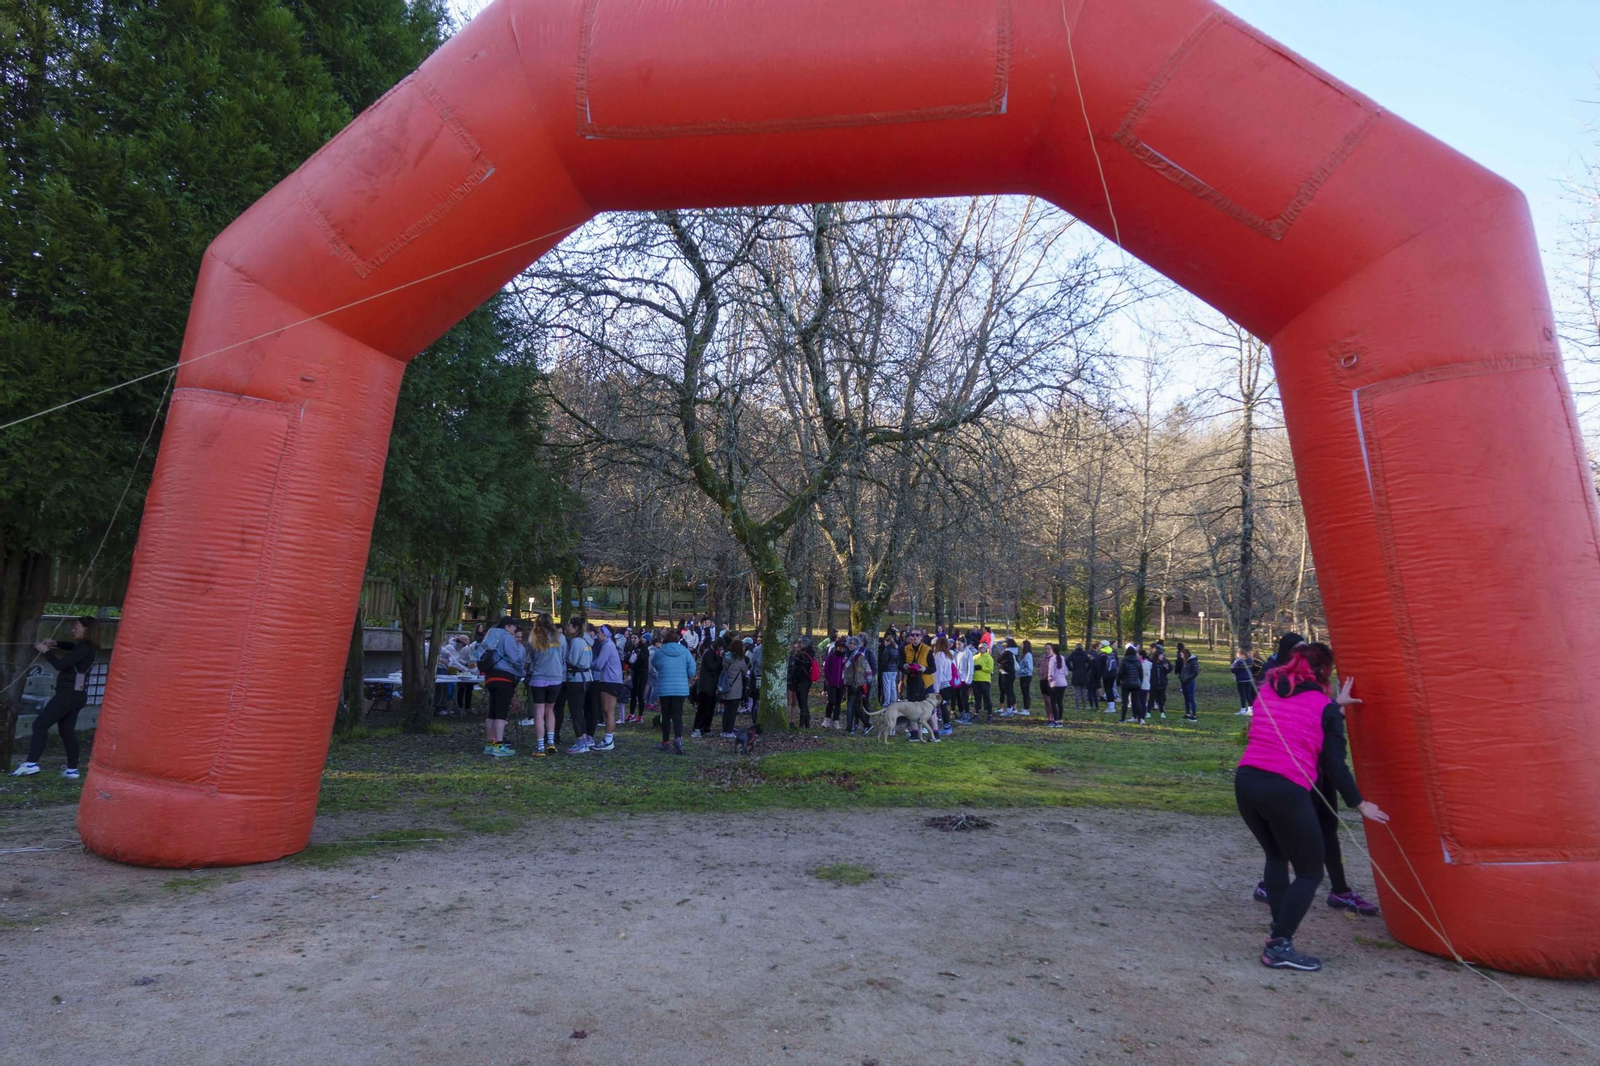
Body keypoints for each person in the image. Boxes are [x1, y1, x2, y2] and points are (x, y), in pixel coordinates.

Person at [1236, 642, 1388, 971]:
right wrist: (1360, 804)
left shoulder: (1266, 693)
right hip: (1284, 789)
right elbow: (1334, 765)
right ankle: (1279, 945)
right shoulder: (1324, 709)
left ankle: (1279, 936)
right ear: (1323, 673)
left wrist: (1335, 706)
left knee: (1277, 857)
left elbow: (1297, 709)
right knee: (1310, 871)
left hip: (1246, 784)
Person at [13, 616, 99, 779]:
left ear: (86, 629)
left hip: (68, 695)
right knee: (67, 731)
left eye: (76, 626)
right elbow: (71, 646)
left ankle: (31, 764)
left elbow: (60, 665)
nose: (73, 629)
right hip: (77, 695)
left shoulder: (84, 648)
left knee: (40, 725)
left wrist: (45, 650)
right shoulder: (87, 647)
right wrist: (56, 643)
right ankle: (72, 771)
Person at [478, 616, 525, 757]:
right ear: (507, 626)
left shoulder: (489, 636)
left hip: (490, 677)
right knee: (501, 714)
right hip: (504, 678)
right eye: (513, 627)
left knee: (491, 712)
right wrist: (522, 671)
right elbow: (515, 658)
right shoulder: (507, 637)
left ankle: (489, 744)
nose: (514, 630)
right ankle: (498, 745)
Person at [651, 628, 695, 754]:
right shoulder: (685, 651)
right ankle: (678, 739)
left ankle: (665, 741)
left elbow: (654, 664)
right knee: (677, 715)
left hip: (665, 687)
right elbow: (692, 670)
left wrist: (663, 670)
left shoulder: (660, 652)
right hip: (680, 688)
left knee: (665, 715)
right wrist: (684, 674)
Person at [525, 616, 565, 756]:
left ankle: (540, 745)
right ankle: (551, 742)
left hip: (538, 678)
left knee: (539, 712)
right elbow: (563, 656)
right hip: (556, 678)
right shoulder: (561, 638)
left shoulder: (533, 639)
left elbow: (532, 657)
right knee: (550, 710)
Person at [562, 618, 595, 753]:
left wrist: (564, 658)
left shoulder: (576, 642)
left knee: (575, 711)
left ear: (575, 628)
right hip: (586, 678)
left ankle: (580, 741)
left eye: (569, 625)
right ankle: (584, 738)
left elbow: (573, 660)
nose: (567, 628)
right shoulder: (587, 642)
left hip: (576, 679)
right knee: (579, 710)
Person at [590, 625, 623, 751]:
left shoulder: (607, 646)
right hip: (612, 680)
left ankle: (608, 740)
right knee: (607, 711)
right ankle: (608, 739)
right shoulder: (610, 645)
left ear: (605, 634)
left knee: (608, 711)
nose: (597, 635)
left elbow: (599, 664)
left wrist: (587, 664)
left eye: (599, 633)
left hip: (610, 681)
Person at [692, 637, 724, 737]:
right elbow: (712, 667)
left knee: (710, 708)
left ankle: (706, 727)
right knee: (703, 708)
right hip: (706, 686)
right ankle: (697, 728)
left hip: (712, 686)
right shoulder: (709, 654)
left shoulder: (714, 654)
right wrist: (720, 659)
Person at [843, 636, 875, 733]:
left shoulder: (858, 656)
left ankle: (850, 727)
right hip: (850, 683)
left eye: (854, 644)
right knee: (856, 707)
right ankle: (867, 724)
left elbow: (859, 672)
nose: (851, 645)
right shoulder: (848, 654)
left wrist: (856, 684)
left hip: (856, 685)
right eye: (850, 643)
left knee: (851, 706)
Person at [718, 639, 747, 737]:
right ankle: (729, 731)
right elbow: (745, 670)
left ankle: (724, 730)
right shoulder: (740, 660)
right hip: (735, 688)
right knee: (732, 711)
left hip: (725, 686)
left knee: (726, 710)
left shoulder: (725, 657)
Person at [787, 638, 816, 728]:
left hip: (801, 682)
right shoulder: (810, 654)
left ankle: (803, 725)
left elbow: (797, 670)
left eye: (801, 643)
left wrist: (793, 678)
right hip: (807, 681)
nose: (799, 645)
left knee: (802, 704)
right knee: (804, 703)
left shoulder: (802, 655)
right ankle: (804, 724)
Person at [821, 639, 848, 730]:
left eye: (843, 648)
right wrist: (829, 680)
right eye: (839, 648)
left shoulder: (845, 658)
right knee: (831, 701)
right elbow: (826, 669)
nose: (841, 650)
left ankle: (836, 720)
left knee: (838, 702)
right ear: (836, 647)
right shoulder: (831, 656)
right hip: (831, 683)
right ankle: (827, 719)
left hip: (841, 683)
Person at [902, 630, 932, 701]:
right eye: (912, 635)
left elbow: (933, 668)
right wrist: (904, 666)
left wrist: (924, 669)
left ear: (921, 637)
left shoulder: (927, 649)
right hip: (911, 682)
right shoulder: (906, 649)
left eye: (917, 635)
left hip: (925, 682)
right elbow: (900, 664)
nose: (915, 637)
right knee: (912, 707)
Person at [626, 631, 649, 723]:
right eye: (632, 638)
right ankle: (631, 714)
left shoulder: (643, 648)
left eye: (635, 638)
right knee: (633, 693)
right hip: (634, 672)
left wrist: (636, 657)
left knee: (640, 694)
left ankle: (640, 715)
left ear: (639, 639)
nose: (633, 640)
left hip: (642, 672)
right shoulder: (631, 648)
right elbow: (628, 660)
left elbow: (644, 660)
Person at [1231, 647, 1261, 716]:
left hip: (1241, 680)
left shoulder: (1238, 661)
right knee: (1248, 694)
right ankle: (1251, 709)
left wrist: (1237, 673)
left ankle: (1243, 709)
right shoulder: (1250, 660)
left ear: (1239, 654)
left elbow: (1233, 669)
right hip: (1249, 679)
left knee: (1242, 695)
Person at [1044, 643, 1069, 725]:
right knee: (1060, 702)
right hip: (1063, 682)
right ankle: (1060, 720)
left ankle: (1055, 719)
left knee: (1053, 702)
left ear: (1052, 650)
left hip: (1055, 683)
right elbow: (1066, 671)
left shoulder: (1052, 659)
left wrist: (1049, 680)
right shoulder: (1062, 658)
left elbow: (1051, 671)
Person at [971, 641, 995, 723]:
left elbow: (990, 669)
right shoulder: (975, 657)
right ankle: (976, 713)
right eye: (979, 647)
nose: (980, 649)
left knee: (987, 697)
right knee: (977, 698)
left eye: (982, 647)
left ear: (986, 649)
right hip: (976, 680)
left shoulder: (989, 658)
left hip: (985, 680)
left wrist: (982, 668)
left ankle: (990, 714)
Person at [1119, 645, 1144, 723]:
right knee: (1136, 701)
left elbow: (1120, 672)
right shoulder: (1138, 661)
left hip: (1126, 683)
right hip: (1136, 683)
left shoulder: (1124, 660)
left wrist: (1119, 681)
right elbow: (1141, 673)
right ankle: (1139, 719)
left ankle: (1123, 718)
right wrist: (1140, 681)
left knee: (1125, 701)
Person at [878, 628, 901, 708]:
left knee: (887, 687)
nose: (884, 643)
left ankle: (887, 702)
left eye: (885, 642)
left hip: (887, 670)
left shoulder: (887, 649)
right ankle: (893, 701)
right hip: (894, 670)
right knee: (893, 686)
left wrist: (881, 669)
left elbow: (884, 661)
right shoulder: (895, 649)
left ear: (888, 642)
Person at [1177, 642, 1200, 721]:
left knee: (1191, 698)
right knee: (1186, 698)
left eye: (1182, 654)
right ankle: (1187, 713)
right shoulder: (1185, 662)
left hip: (1189, 682)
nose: (1181, 656)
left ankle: (1194, 715)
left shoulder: (1192, 662)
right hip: (1184, 682)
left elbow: (1195, 672)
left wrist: (1188, 678)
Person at [995, 638, 1017, 716]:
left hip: (1006, 674)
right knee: (1010, 691)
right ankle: (1012, 708)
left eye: (1005, 643)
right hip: (1012, 674)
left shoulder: (1007, 652)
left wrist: (1001, 661)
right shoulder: (1014, 652)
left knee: (1007, 691)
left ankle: (1009, 710)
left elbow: (998, 660)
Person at [1066, 643, 1091, 710]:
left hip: (1076, 673)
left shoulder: (1073, 654)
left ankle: (1077, 706)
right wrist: (1087, 669)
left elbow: (1067, 661)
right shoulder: (1084, 654)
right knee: (1083, 691)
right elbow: (1090, 663)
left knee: (1077, 691)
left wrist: (1071, 669)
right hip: (1083, 673)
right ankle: (1084, 705)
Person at [1149, 646, 1170, 719]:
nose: (1162, 656)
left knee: (1161, 698)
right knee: (1151, 697)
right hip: (1153, 683)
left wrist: (1167, 668)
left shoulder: (1164, 662)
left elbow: (1167, 671)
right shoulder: (1152, 663)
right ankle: (1148, 711)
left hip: (1162, 683)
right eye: (1161, 655)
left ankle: (1162, 712)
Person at [1098, 642, 1119, 713]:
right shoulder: (1113, 653)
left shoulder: (1102, 655)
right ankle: (1112, 706)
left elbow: (1099, 666)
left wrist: (1100, 674)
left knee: (1108, 690)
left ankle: (1111, 707)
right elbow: (1117, 663)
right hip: (1113, 674)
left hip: (1106, 675)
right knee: (1111, 689)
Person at [1016, 639, 1035, 716]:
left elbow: (1030, 668)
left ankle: (1026, 709)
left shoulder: (1028, 655)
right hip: (1023, 676)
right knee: (1024, 692)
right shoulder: (1024, 654)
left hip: (1026, 676)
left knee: (1026, 692)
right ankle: (1025, 708)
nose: (1021, 646)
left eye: (1022, 644)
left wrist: (1021, 671)